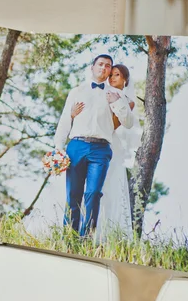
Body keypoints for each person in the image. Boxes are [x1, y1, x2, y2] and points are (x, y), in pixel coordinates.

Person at [53, 54, 134, 237]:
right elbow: (65, 120)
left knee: (94, 193)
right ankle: (69, 236)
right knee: (73, 195)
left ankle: (86, 237)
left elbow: (128, 122)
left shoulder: (116, 94)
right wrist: (58, 147)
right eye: (100, 64)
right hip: (76, 146)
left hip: (101, 149)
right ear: (92, 67)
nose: (104, 68)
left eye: (108, 66)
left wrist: (117, 102)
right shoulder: (77, 91)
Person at [93, 64, 140, 242]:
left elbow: (114, 125)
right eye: (111, 75)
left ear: (125, 79)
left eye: (117, 75)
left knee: (110, 186)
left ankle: (107, 234)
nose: (112, 78)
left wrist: (116, 101)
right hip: (94, 143)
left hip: (112, 147)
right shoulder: (101, 93)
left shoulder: (128, 100)